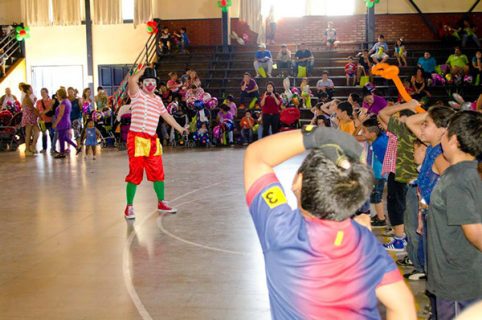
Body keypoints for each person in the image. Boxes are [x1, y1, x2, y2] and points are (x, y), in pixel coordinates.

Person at [243, 126, 417, 320]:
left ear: (298, 181)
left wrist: (315, 135)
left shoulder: (281, 231)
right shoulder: (363, 241)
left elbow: (256, 156)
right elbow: (402, 305)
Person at [427, 111, 482, 319]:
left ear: (454, 140)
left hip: (459, 281)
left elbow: (475, 232)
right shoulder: (473, 171)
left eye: (445, 132)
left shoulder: (457, 179)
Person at [124, 66, 188, 219]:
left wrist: (180, 129)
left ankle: (161, 202)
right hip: (137, 138)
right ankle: (129, 207)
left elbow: (166, 116)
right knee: (135, 173)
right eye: (147, 81)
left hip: (152, 140)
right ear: (142, 83)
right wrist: (143, 70)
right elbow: (132, 80)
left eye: (152, 81)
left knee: (158, 172)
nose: (150, 84)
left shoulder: (158, 100)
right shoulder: (136, 94)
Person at [404, 105, 456, 281]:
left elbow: (449, 188)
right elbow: (410, 121)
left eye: (427, 124)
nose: (422, 127)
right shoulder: (432, 146)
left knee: (437, 262)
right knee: (430, 259)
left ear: (443, 129)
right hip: (428, 211)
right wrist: (421, 212)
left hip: (438, 215)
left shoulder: (442, 154)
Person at [378, 100, 420, 251]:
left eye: (398, 117)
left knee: (397, 206)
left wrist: (407, 105)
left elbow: (382, 113)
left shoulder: (402, 129)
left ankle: (399, 240)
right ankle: (402, 236)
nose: (395, 119)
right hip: (405, 173)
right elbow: (382, 118)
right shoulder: (414, 132)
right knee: (404, 206)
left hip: (400, 173)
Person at [360, 117, 388, 227]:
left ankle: (381, 219)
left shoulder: (378, 144)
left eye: (365, 131)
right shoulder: (377, 139)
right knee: (375, 196)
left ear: (372, 133)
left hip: (378, 174)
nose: (362, 133)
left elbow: (384, 159)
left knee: (377, 197)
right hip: (376, 172)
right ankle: (379, 215)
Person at [52, 88, 80, 159]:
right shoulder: (67, 101)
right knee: (63, 137)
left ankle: (62, 152)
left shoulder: (64, 102)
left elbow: (60, 114)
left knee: (62, 137)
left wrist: (55, 123)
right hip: (66, 121)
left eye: (57, 94)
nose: (56, 96)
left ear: (60, 95)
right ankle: (76, 147)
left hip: (62, 122)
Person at [20, 84, 39, 156]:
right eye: (31, 88)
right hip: (28, 117)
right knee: (28, 133)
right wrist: (40, 115)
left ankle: (32, 146)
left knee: (36, 131)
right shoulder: (26, 98)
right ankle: (27, 149)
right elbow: (32, 108)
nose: (32, 89)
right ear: (27, 90)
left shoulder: (28, 97)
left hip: (31, 116)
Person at [36, 88, 55, 154]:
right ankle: (44, 148)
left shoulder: (51, 101)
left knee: (51, 134)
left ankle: (53, 147)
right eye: (41, 92)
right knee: (44, 134)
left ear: (47, 93)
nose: (42, 94)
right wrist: (39, 117)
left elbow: (52, 110)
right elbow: (37, 111)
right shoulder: (38, 102)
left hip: (50, 120)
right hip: (42, 121)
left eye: (44, 92)